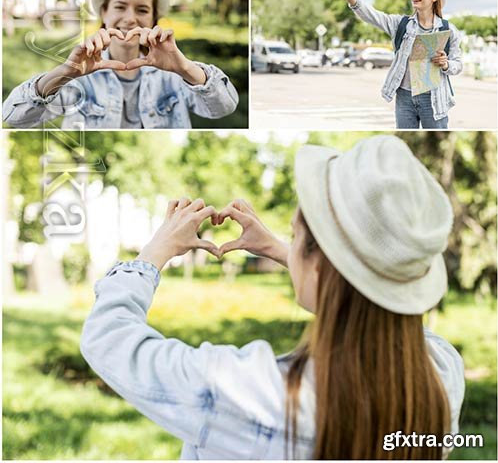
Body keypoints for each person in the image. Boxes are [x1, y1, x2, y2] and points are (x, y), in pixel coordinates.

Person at [80, 132, 465, 459]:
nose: (290, 243)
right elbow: (380, 310)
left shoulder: (251, 395)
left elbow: (109, 340)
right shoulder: (441, 377)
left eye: (296, 235)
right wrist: (285, 250)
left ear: (319, 266)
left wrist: (155, 252)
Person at [2, 0, 238, 130]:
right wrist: (65, 72)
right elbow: (13, 118)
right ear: (104, 12)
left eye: (142, 10)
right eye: (120, 7)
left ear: (155, 18)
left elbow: (224, 107)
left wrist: (185, 68)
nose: (130, 18)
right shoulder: (81, 77)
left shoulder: (173, 76)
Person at [329, 0, 463, 129]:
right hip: (405, 97)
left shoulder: (448, 30)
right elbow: (374, 16)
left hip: (433, 99)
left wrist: (446, 64)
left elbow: (458, 64)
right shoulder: (401, 24)